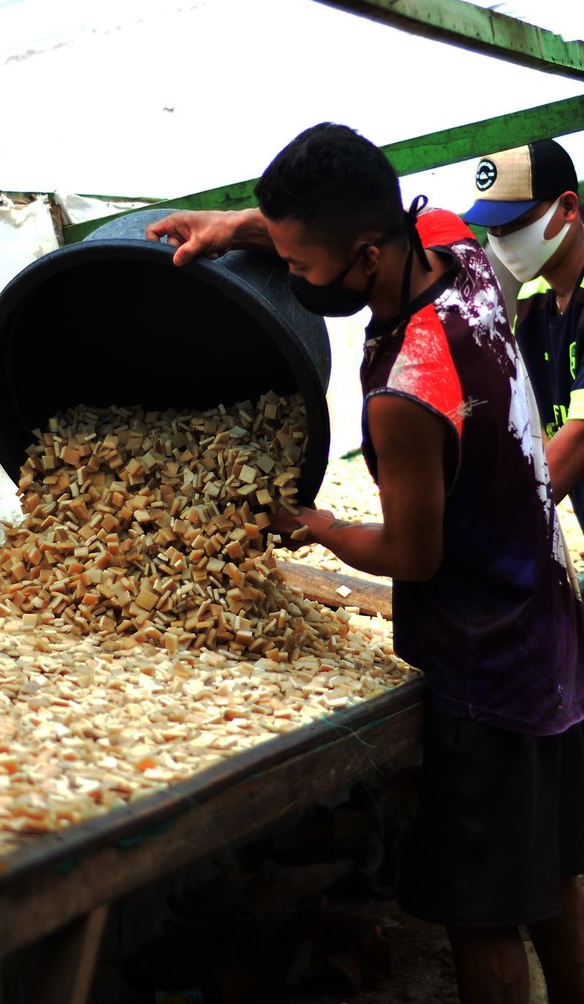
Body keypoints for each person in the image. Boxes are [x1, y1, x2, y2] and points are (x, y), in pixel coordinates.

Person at [146, 122, 584, 1003]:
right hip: (551, 629)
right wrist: (234, 229)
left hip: (487, 666)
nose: (298, 281)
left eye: (306, 270)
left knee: (484, 911)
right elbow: (328, 226)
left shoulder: (405, 394)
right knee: (553, 869)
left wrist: (312, 525)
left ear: (369, 256)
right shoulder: (454, 254)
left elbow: (413, 556)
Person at [461, 140, 584, 542]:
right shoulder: (533, 302)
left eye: (516, 224)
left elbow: (579, 435)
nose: (502, 238)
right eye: (493, 228)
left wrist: (496, 531)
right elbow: (542, 425)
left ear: (568, 207)